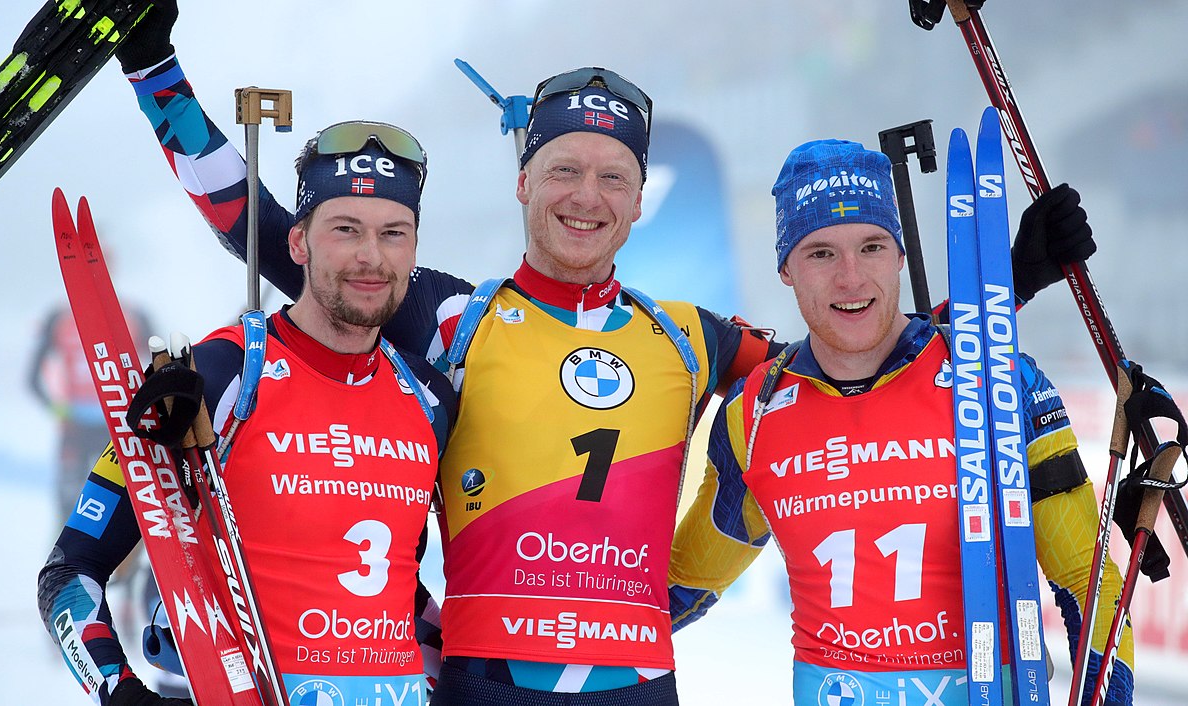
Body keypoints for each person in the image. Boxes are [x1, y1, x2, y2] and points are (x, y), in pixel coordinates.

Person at [108, 5, 1098, 704]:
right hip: (482, 682)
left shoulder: (691, 337)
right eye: (564, 169)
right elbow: (267, 229)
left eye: (611, 175)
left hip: (639, 685)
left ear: (637, 197)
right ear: (524, 183)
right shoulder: (454, 318)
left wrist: (1005, 283)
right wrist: (158, 75)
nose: (587, 193)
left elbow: (851, 353)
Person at [667, 140, 1133, 706]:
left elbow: (1088, 579)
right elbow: (686, 582)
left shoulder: (998, 384)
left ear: (900, 256)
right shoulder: (753, 413)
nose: (851, 277)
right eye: (820, 253)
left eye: (871, 247)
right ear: (786, 268)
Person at [37, 121, 457, 706]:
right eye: (345, 230)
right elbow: (70, 571)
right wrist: (118, 689)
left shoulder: (430, 399)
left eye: (393, 233)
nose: (371, 256)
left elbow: (395, 588)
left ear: (413, 249)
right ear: (298, 243)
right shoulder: (223, 374)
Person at [29, 301, 152, 527]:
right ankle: (63, 557)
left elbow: (157, 368)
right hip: (76, 428)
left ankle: (121, 561)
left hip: (114, 429)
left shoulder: (135, 315)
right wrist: (58, 408)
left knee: (118, 504)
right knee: (68, 504)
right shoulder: (59, 318)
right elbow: (32, 379)